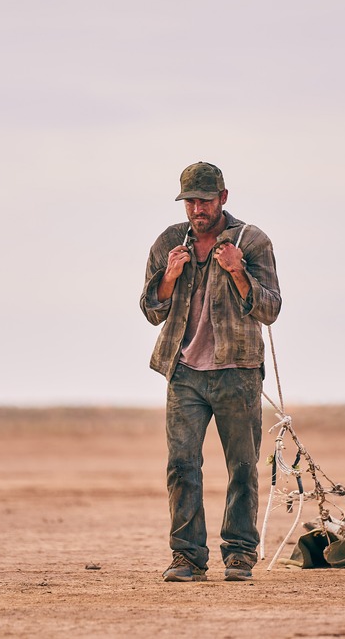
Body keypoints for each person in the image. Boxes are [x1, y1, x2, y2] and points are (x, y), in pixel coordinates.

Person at [140, 162, 282, 582]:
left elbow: (270, 309)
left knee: (242, 466)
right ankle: (187, 558)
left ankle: (239, 555)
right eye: (190, 201)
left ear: (223, 197)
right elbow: (151, 310)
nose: (197, 209)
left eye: (204, 200)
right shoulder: (169, 242)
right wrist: (168, 277)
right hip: (183, 371)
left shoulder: (251, 241)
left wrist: (238, 270)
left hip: (237, 371)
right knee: (182, 466)